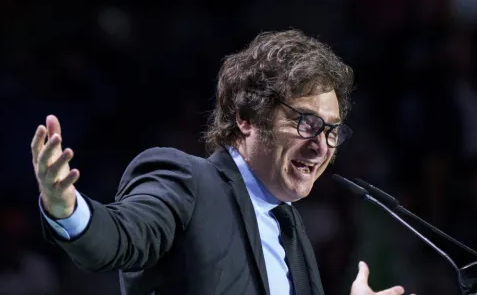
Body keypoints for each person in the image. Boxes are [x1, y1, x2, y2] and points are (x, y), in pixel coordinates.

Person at [31, 30, 407, 295]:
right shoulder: (189, 182)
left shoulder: (290, 229)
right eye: (306, 123)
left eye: (331, 131)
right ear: (246, 117)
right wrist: (68, 210)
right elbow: (118, 238)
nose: (321, 146)